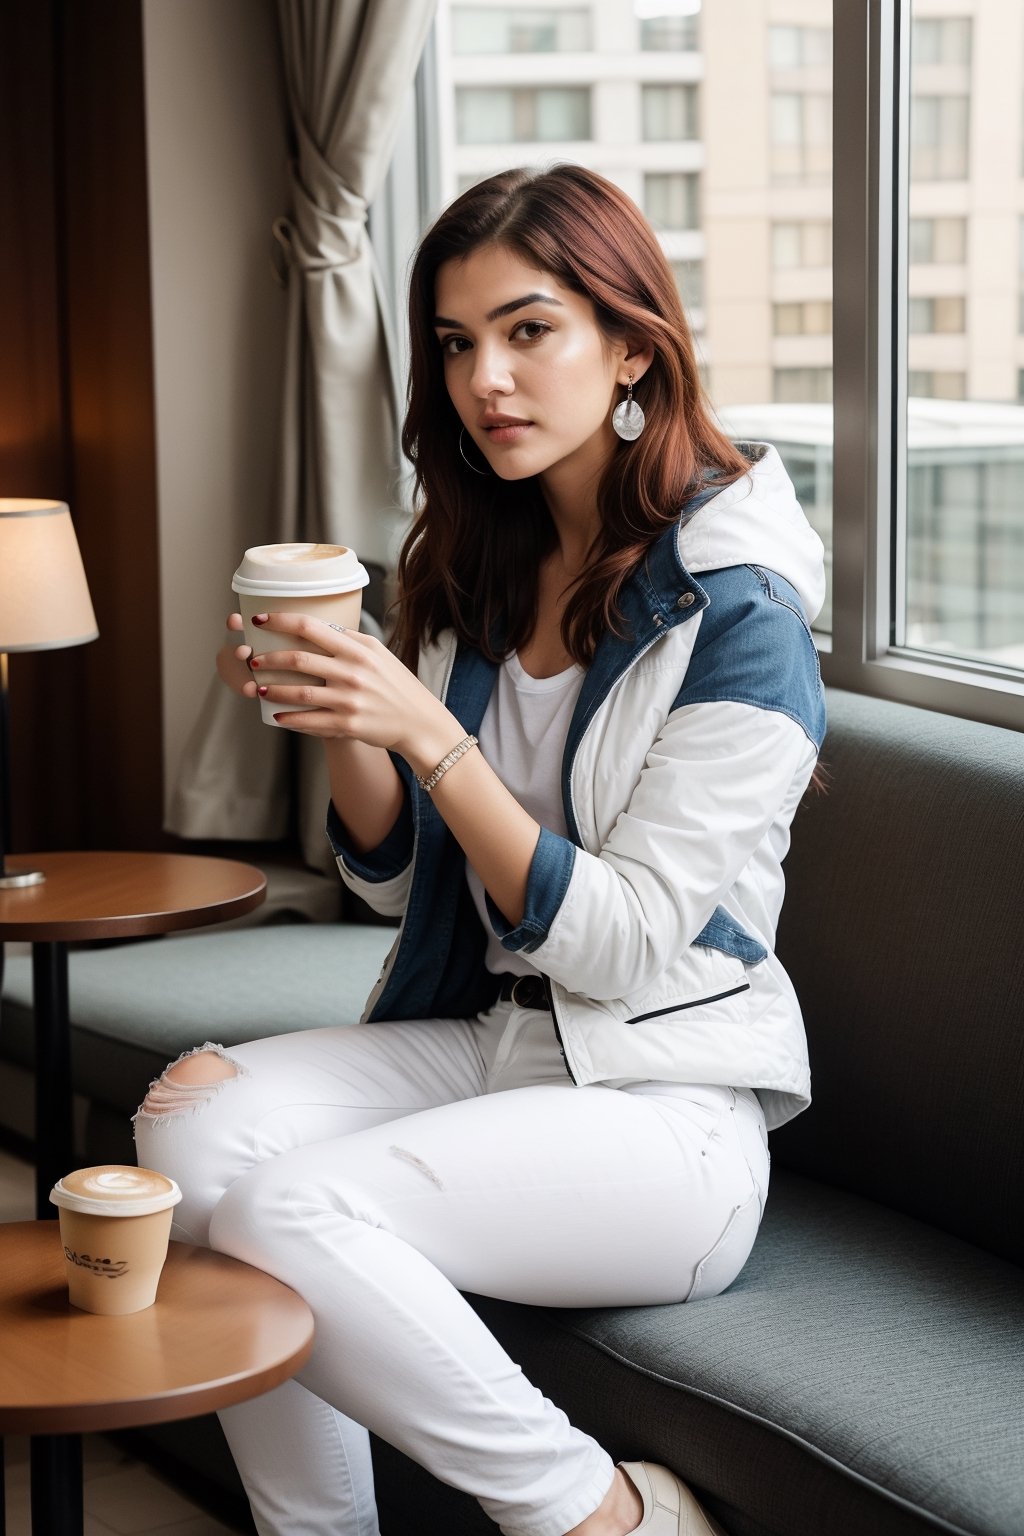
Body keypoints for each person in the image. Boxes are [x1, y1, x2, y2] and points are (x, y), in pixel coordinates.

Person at [134, 164, 826, 1536]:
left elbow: (627, 938)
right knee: (192, 1143)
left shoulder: (741, 612)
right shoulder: (483, 558)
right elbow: (395, 880)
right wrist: (341, 712)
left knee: (285, 1213)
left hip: (664, 1109)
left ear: (631, 345)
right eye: (456, 344)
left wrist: (427, 737)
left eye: (528, 331)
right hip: (490, 1041)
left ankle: (599, 1519)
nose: (483, 381)